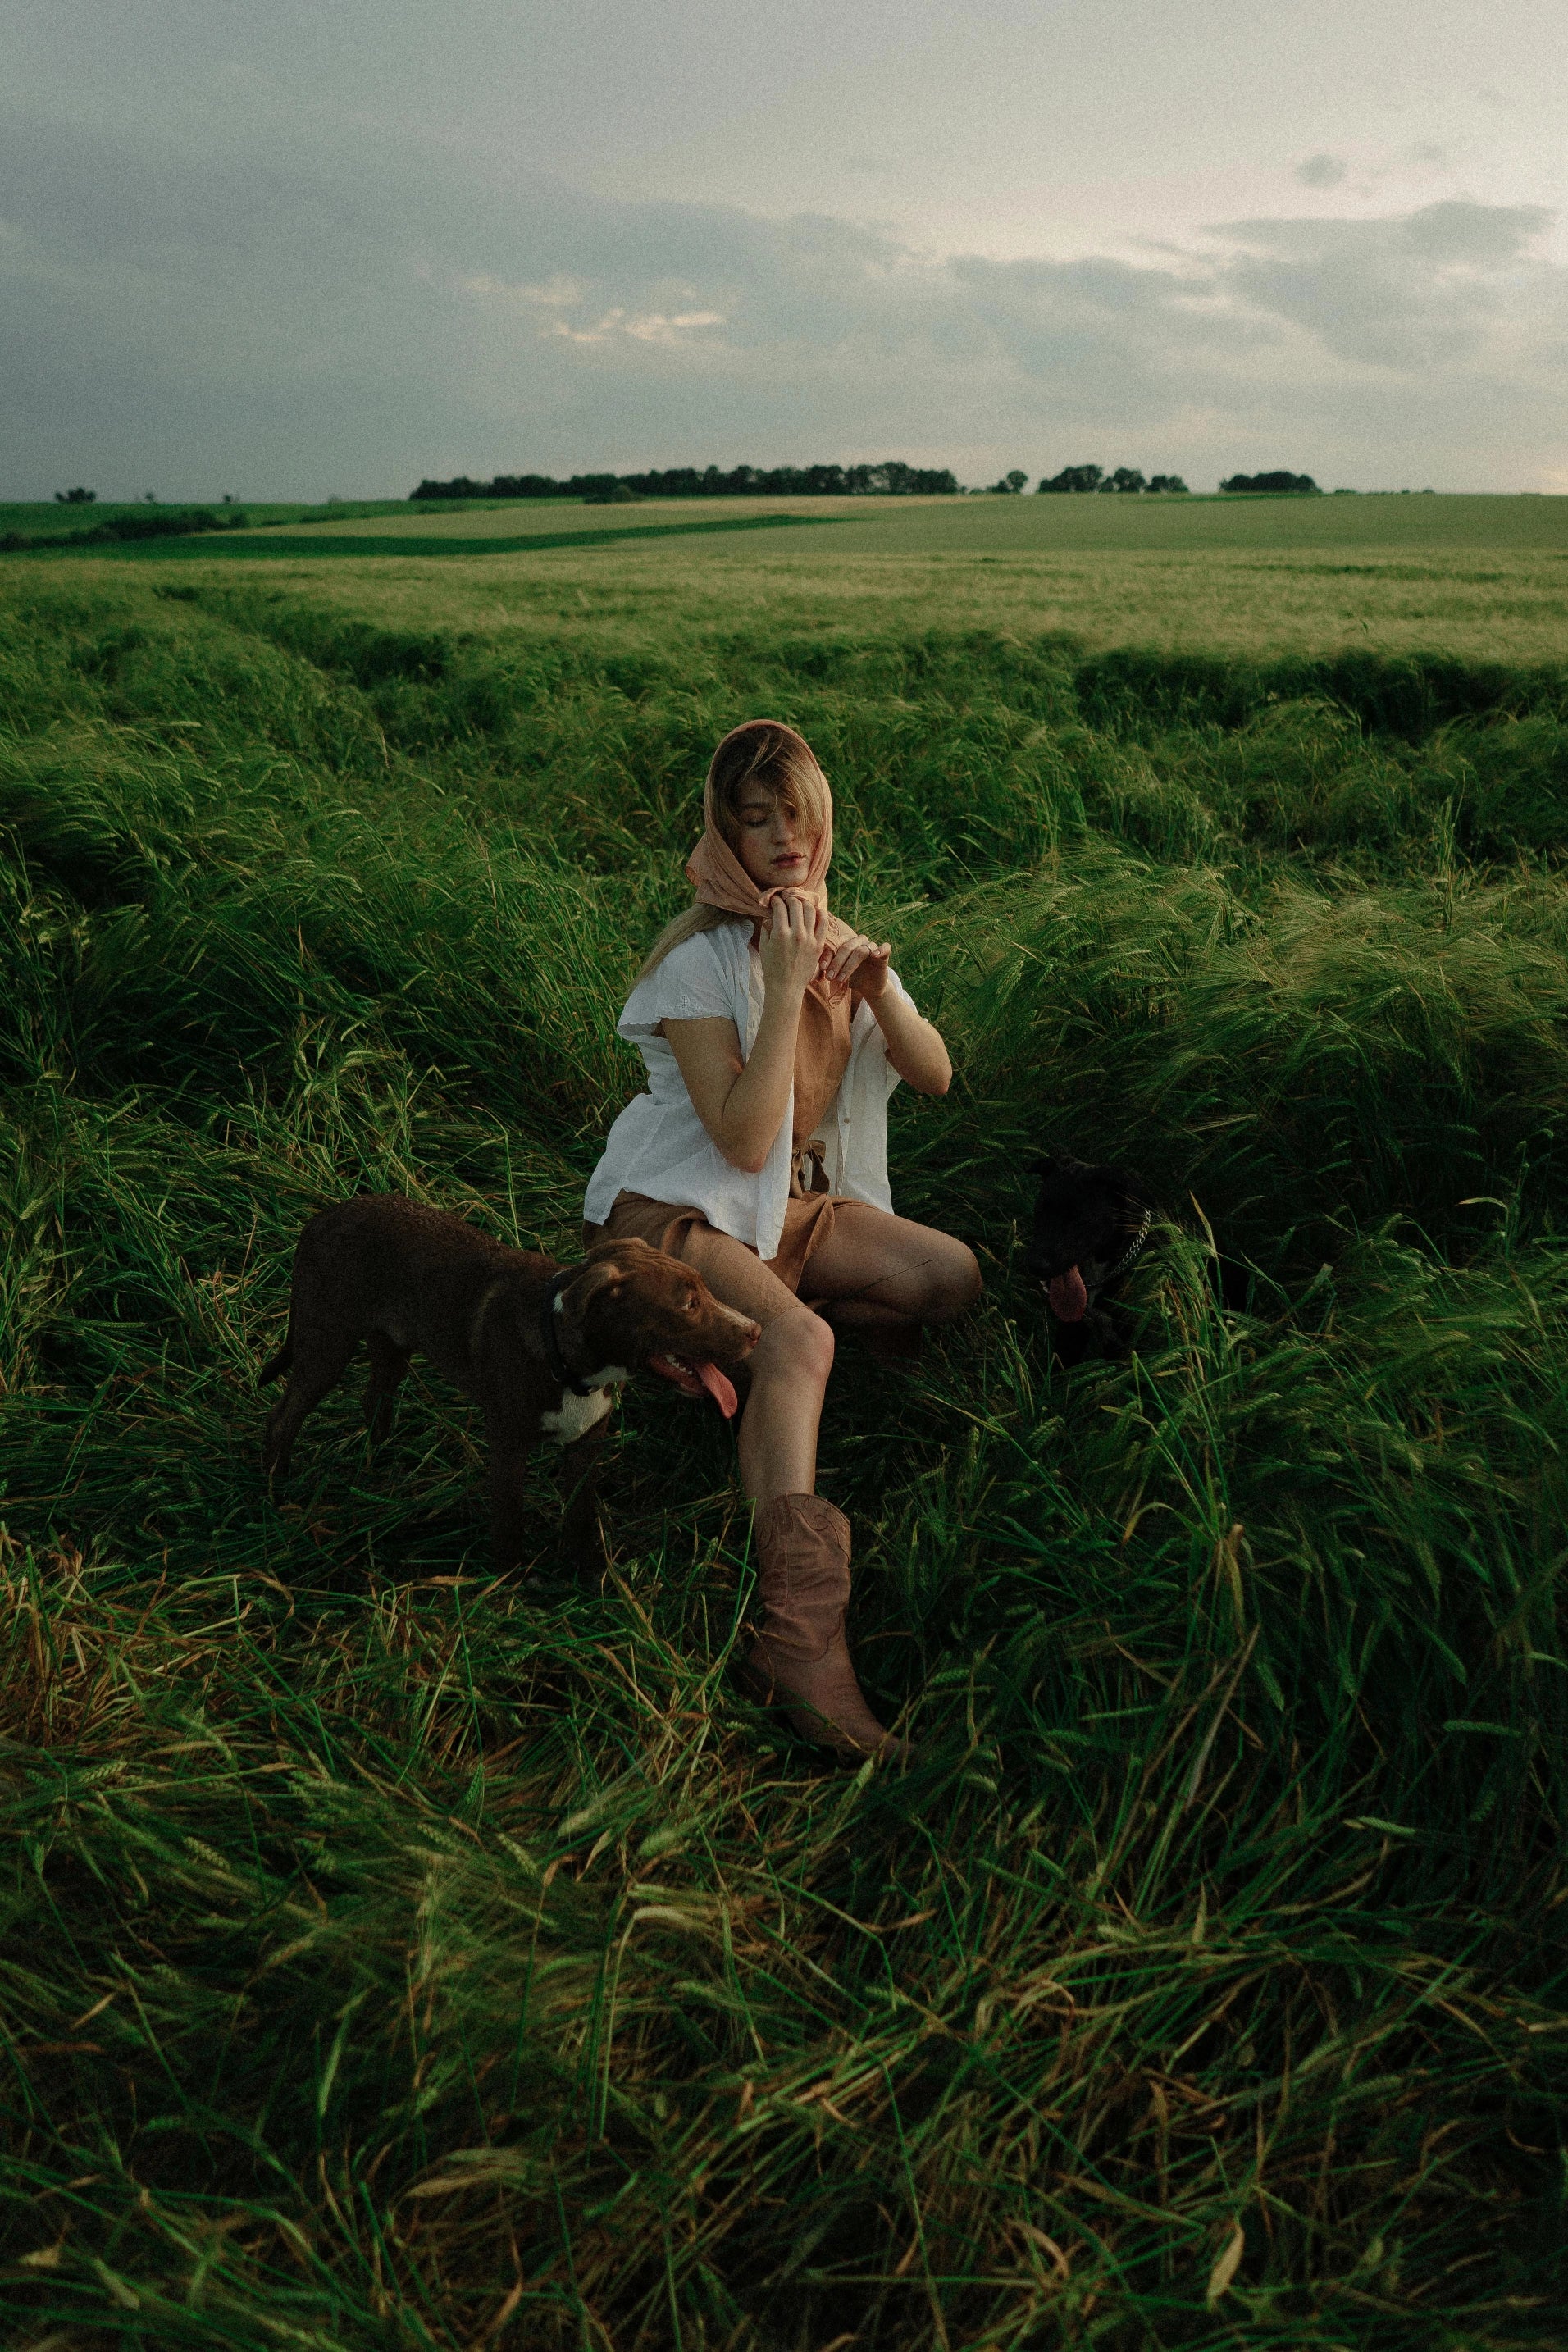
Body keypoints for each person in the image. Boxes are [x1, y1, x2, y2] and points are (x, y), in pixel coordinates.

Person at [585, 718, 981, 1760]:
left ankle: (743, 1355)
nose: (780, 837)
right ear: (723, 835)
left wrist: (878, 985)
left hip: (790, 1215)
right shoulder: (701, 962)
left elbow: (936, 1076)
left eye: (794, 814)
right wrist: (779, 986)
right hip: (680, 1212)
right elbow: (746, 1137)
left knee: (950, 1276)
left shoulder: (831, 936)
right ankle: (794, 1643)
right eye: (753, 820)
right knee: (805, 1345)